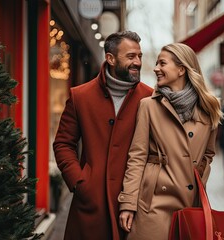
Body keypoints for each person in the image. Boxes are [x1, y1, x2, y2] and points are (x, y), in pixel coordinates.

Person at [53, 31, 153, 240]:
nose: (138, 62)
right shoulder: (80, 96)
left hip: (135, 206)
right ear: (110, 58)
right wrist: (80, 182)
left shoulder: (150, 97)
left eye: (140, 56)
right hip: (90, 205)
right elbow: (63, 143)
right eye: (131, 56)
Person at [118, 43, 223, 240]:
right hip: (153, 201)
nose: (156, 68)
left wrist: (199, 173)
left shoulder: (209, 107)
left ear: (181, 69)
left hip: (190, 202)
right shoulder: (148, 106)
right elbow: (137, 156)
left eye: (162, 63)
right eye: (157, 63)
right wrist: (128, 203)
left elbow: (208, 153)